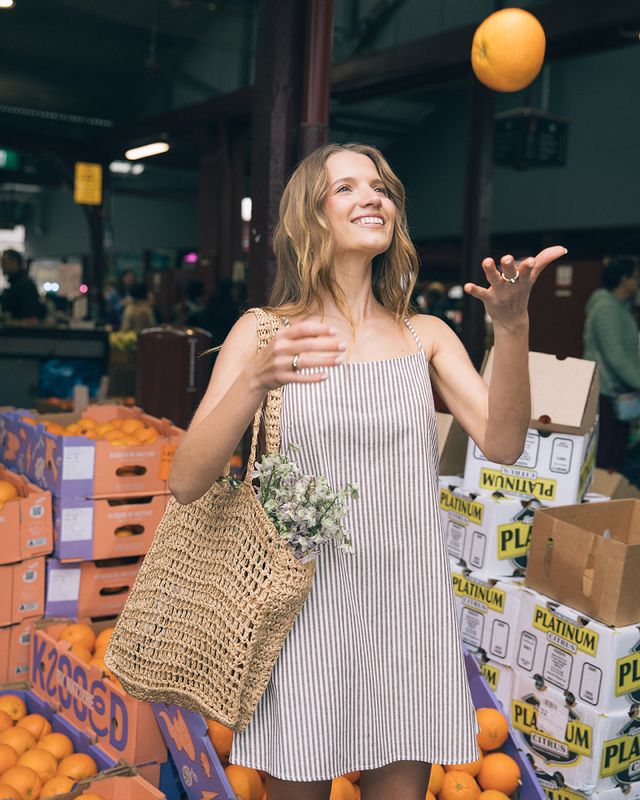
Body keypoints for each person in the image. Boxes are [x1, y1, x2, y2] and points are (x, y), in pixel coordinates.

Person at [168, 142, 565, 800]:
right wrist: (255, 380)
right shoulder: (264, 333)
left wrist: (513, 327)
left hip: (406, 606)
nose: (371, 196)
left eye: (380, 186)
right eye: (347, 187)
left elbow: (501, 441)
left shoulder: (425, 335)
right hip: (299, 609)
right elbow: (185, 480)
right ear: (311, 217)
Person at [583, 256, 640, 471]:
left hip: (614, 392)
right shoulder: (606, 308)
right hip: (605, 393)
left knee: (614, 454)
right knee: (605, 455)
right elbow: (615, 355)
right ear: (624, 279)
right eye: (634, 277)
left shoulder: (619, 307)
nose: (637, 282)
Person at [0, 249, 45, 321]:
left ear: (15, 262)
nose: (2, 266)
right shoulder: (14, 285)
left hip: (20, 331)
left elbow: (31, 319)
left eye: (5, 262)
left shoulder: (26, 285)